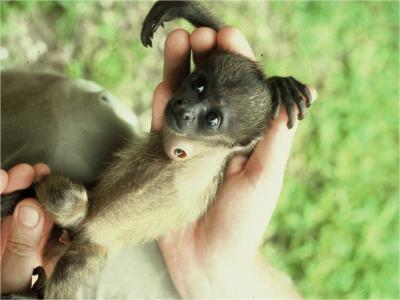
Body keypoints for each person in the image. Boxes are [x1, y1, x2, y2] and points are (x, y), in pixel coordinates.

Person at [0, 26, 315, 298]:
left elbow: (247, 117)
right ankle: (20, 200)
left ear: (234, 141)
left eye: (213, 119)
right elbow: (223, 54)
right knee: (63, 193)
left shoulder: (222, 149)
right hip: (84, 206)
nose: (188, 107)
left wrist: (273, 92)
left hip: (101, 242)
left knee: (72, 271)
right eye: (198, 87)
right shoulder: (203, 129)